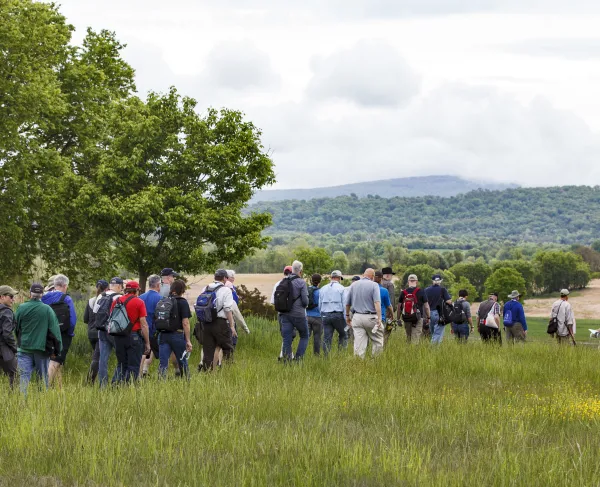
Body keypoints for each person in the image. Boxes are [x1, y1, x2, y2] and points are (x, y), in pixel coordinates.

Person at [15, 283, 62, 395]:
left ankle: (22, 403)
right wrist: (57, 350)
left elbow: (16, 328)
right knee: (42, 378)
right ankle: (41, 402)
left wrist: (19, 342)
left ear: (30, 294)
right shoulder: (47, 309)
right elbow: (55, 332)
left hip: (24, 348)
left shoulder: (21, 308)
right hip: (41, 349)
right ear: (41, 294)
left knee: (23, 377)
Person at [109, 280, 151, 383]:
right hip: (133, 336)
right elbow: (144, 324)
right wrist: (147, 343)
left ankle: (115, 387)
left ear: (126, 290)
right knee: (133, 365)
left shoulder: (117, 301)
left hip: (118, 336)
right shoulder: (139, 302)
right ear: (136, 290)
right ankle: (128, 388)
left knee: (121, 364)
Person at [42, 274, 77, 387]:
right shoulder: (66, 298)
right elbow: (72, 320)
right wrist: (70, 333)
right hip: (63, 333)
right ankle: (44, 388)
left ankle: (59, 389)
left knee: (55, 361)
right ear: (65, 285)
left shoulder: (44, 297)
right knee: (55, 361)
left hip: (47, 332)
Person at [201, 269, 237, 370]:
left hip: (206, 323)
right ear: (225, 278)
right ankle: (228, 371)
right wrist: (231, 325)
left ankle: (207, 373)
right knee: (227, 347)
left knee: (208, 350)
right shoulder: (226, 290)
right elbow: (227, 309)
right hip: (220, 322)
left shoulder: (206, 288)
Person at [157, 279, 192, 378]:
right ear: (182, 290)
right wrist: (188, 340)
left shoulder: (164, 300)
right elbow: (185, 322)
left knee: (163, 362)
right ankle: (186, 381)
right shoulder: (182, 302)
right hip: (177, 335)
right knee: (182, 360)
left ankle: (160, 382)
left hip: (163, 335)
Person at [345, 268, 383, 358]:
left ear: (363, 275)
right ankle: (376, 362)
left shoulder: (354, 285)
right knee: (377, 340)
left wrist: (347, 316)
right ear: (373, 277)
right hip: (370, 317)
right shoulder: (374, 285)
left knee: (359, 343)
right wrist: (379, 317)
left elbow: (347, 303)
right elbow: (377, 302)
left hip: (357, 317)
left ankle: (359, 363)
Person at [277, 260, 309, 362]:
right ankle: (298, 359)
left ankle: (286, 361)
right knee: (304, 335)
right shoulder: (301, 282)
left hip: (284, 314)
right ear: (301, 271)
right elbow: (305, 301)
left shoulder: (284, 281)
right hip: (298, 314)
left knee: (287, 338)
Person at [95, 277, 123, 387]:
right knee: (121, 357)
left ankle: (103, 385)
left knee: (103, 359)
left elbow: (94, 311)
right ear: (119, 286)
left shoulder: (101, 296)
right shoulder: (119, 297)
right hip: (114, 331)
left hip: (101, 330)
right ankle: (115, 382)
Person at [83, 279, 109, 383]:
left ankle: (94, 379)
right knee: (97, 357)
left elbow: (85, 319)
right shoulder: (106, 300)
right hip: (100, 332)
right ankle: (89, 381)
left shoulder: (91, 300)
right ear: (107, 288)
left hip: (91, 332)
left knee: (97, 355)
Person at [139, 274, 162, 377]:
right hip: (152, 330)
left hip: (139, 330)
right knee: (151, 352)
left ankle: (143, 371)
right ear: (158, 285)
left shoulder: (140, 297)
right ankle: (141, 373)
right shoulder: (160, 298)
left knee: (144, 351)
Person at [319, 270, 347, 354]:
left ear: (331, 278)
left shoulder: (323, 288)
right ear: (339, 278)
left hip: (325, 315)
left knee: (327, 337)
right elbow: (345, 304)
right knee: (343, 335)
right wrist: (346, 318)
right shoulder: (342, 288)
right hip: (338, 315)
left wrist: (322, 315)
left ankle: (326, 357)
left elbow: (319, 304)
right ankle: (341, 354)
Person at [271, 265, 296, 360]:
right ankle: (286, 356)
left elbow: (273, 301)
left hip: (281, 313)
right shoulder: (294, 283)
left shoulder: (278, 284)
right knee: (290, 335)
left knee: (285, 335)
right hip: (292, 313)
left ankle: (285, 355)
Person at [398, 274, 430, 344]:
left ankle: (408, 353)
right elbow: (426, 306)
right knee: (415, 338)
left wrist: (398, 318)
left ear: (408, 282)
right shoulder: (421, 291)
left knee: (408, 337)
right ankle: (413, 353)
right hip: (418, 318)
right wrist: (428, 317)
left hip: (406, 317)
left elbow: (399, 306)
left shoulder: (403, 292)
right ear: (416, 282)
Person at [0, 285, 18, 389]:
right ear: (2, 297)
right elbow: (7, 334)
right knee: (14, 374)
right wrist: (14, 347)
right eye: (10, 296)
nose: (13, 299)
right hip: (4, 349)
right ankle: (14, 400)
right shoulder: (6, 311)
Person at [425, 274, 452, 344]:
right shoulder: (443, 290)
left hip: (429, 314)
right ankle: (432, 350)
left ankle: (435, 350)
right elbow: (449, 301)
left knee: (433, 333)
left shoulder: (426, 290)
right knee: (438, 334)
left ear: (432, 281)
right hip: (439, 314)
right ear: (440, 281)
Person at [306, 274, 323, 356]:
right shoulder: (321, 292)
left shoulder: (306, 290)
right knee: (317, 338)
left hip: (307, 316)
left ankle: (302, 353)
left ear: (311, 281)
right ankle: (316, 355)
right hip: (318, 317)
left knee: (305, 337)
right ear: (320, 281)